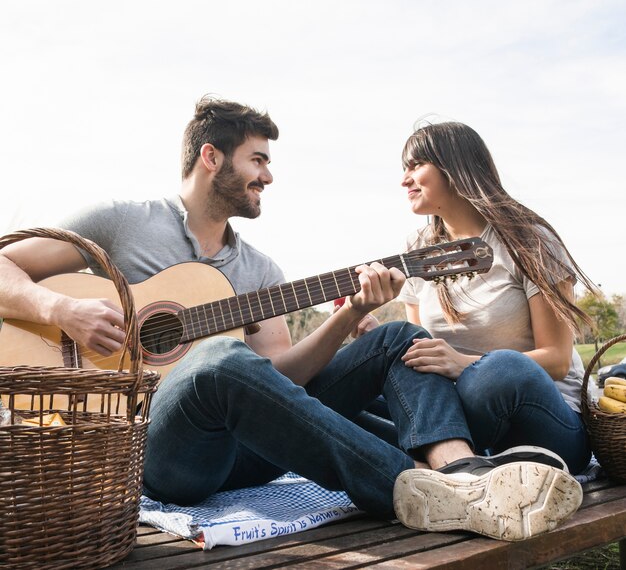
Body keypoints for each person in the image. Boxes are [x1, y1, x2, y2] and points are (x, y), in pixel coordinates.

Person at [0, 98, 580, 542]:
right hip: (151, 447)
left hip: (244, 453)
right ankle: (408, 485)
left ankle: (461, 476)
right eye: (258, 160)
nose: (268, 176)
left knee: (401, 337)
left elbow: (285, 377)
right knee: (216, 359)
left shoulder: (259, 269)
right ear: (211, 157)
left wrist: (352, 311)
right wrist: (61, 309)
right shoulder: (123, 223)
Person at [391, 116, 593, 538]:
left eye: (415, 165)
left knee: (499, 372)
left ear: (455, 166)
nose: (405, 179)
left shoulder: (527, 240)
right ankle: (464, 473)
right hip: (463, 425)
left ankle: (436, 464)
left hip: (547, 419)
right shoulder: (415, 251)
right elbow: (422, 353)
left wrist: (464, 363)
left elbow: (555, 360)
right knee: (382, 369)